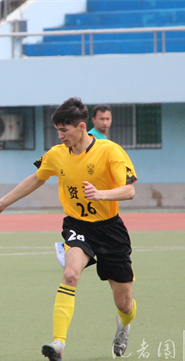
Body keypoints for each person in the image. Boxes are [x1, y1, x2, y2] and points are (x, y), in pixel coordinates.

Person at [0, 97, 138, 361]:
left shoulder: (109, 151)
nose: (60, 135)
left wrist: (101, 194)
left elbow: (130, 190)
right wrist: (1, 203)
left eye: (64, 130)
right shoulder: (56, 154)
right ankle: (58, 343)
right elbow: (36, 178)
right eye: (57, 130)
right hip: (77, 226)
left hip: (110, 229)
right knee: (70, 273)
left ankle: (124, 325)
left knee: (124, 304)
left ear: (81, 126)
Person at [55, 103, 113, 267]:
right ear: (92, 120)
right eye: (101, 119)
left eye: (108, 118)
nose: (105, 122)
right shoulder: (90, 139)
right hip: (84, 209)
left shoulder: (106, 143)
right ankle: (67, 247)